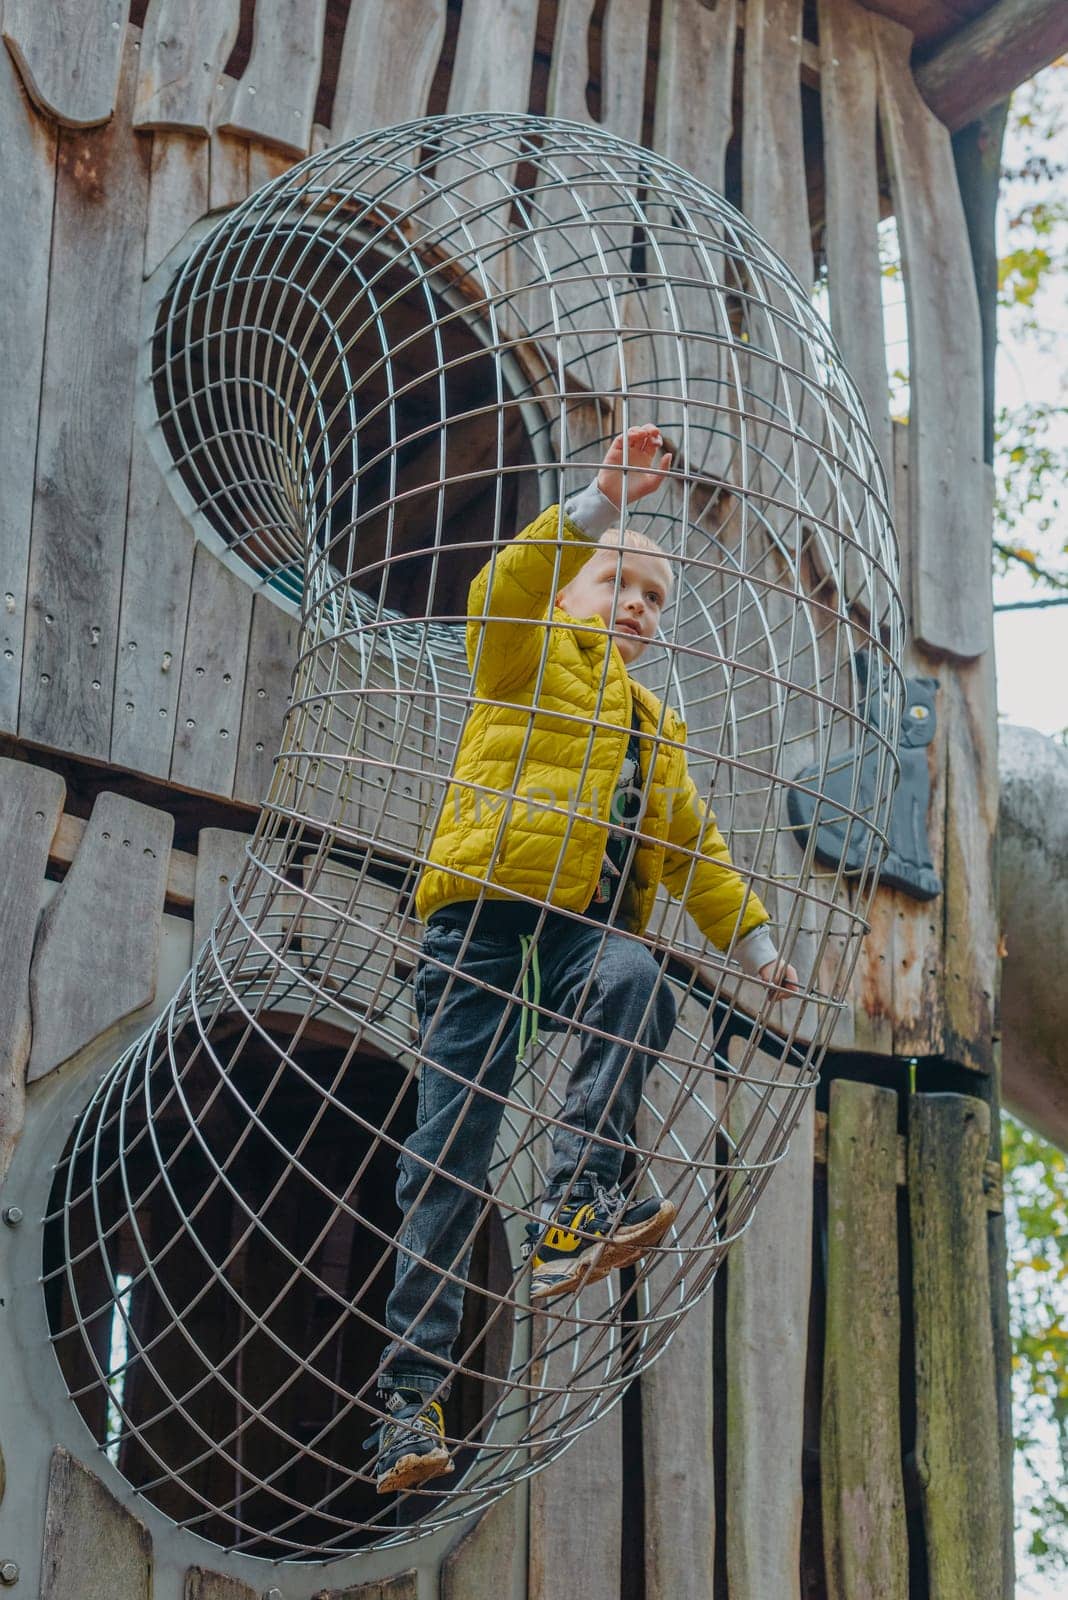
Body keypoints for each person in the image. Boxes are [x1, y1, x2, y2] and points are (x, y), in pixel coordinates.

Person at [367, 424, 798, 1493]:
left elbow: (693, 845)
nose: (637, 606)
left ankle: (577, 1203)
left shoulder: (658, 724)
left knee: (633, 977)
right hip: (482, 923)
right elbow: (507, 584)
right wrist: (600, 502)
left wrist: (753, 943)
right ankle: (406, 1402)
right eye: (618, 582)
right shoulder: (522, 651)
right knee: (448, 1151)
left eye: (653, 599)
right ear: (573, 589)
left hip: (575, 936)